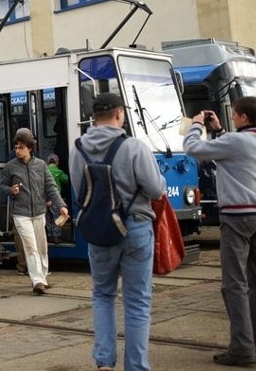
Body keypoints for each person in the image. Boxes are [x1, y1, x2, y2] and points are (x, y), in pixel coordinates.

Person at [70, 93, 166, 371]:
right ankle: (136, 366)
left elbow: (80, 191)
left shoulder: (77, 149)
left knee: (102, 295)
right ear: (119, 114)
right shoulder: (134, 146)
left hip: (99, 230)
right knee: (137, 301)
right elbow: (156, 189)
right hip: (135, 228)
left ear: (93, 116)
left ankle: (104, 364)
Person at [183, 96, 256, 367]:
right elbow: (237, 152)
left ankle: (242, 348)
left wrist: (197, 125)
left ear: (240, 116)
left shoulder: (235, 141)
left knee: (235, 283)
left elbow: (193, 148)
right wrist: (218, 131)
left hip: (237, 217)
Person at [0, 127, 68, 295]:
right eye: (16, 147)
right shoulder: (10, 167)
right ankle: (37, 280)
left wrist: (61, 206)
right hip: (20, 214)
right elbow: (2, 186)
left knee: (42, 247)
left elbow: (51, 187)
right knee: (30, 246)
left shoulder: (41, 165)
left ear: (30, 148)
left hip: (39, 212)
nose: (17, 150)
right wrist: (11, 190)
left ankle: (43, 276)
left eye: (21, 147)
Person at [46, 154, 69, 243]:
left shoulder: (44, 172)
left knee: (48, 218)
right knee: (56, 217)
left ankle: (49, 236)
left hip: (45, 199)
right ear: (57, 162)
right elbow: (66, 180)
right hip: (55, 198)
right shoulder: (59, 172)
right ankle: (56, 237)